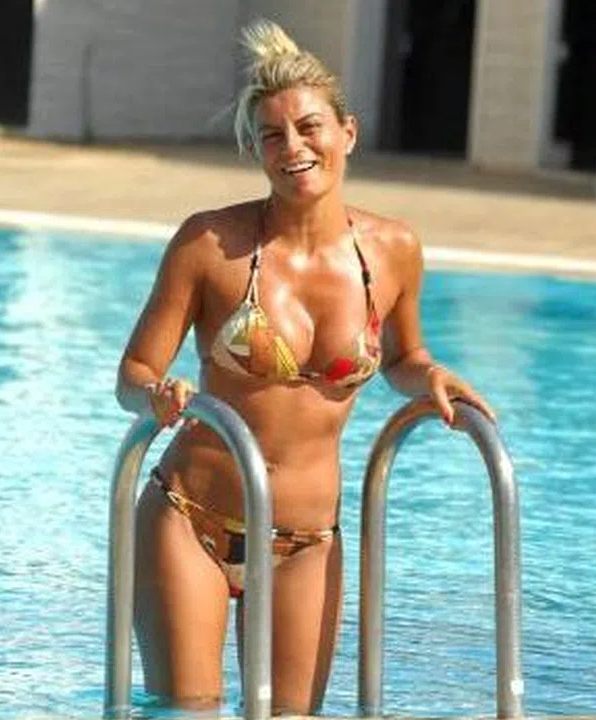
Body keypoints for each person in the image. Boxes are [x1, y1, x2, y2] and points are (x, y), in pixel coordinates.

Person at [115, 19, 495, 714]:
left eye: (309, 127)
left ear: (347, 133)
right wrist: (157, 394)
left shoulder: (393, 250)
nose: (293, 147)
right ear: (254, 151)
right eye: (271, 135)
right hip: (190, 521)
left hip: (308, 542)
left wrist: (431, 376)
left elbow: (404, 358)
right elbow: (134, 370)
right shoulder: (211, 244)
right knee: (186, 711)